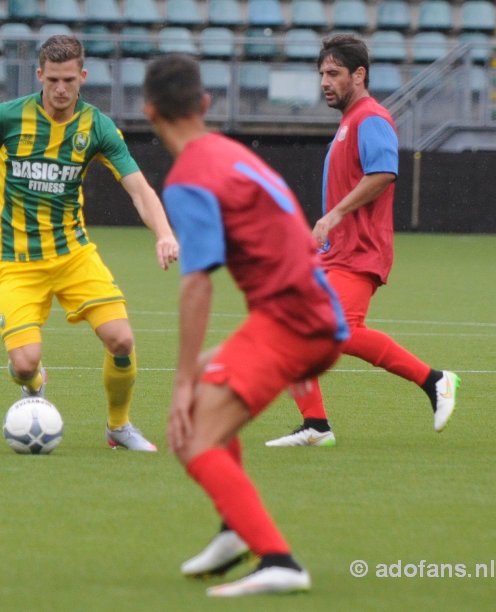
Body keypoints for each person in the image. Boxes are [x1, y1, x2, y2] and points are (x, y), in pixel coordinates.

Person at [142, 54, 349, 596]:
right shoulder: (234, 154)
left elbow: (197, 283)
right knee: (214, 385)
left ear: (148, 113)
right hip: (313, 315)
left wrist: (180, 381)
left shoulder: (189, 178)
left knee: (194, 436)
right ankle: (235, 529)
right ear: (205, 105)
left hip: (293, 323)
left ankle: (278, 559)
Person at [0, 35, 179, 451]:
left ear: (83, 77)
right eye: (53, 80)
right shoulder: (7, 117)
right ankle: (35, 381)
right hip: (16, 261)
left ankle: (119, 427)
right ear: (39, 75)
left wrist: (165, 233)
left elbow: (138, 188)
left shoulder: (96, 126)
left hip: (73, 255)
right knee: (25, 365)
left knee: (121, 339)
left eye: (69, 80)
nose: (61, 90)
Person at [265, 34, 460, 447]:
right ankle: (315, 425)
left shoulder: (371, 117)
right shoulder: (349, 122)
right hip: (334, 253)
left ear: (359, 74)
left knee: (340, 331)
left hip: (359, 252)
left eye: (334, 73)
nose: (325, 81)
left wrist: (334, 215)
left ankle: (435, 380)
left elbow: (384, 172)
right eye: (322, 73)